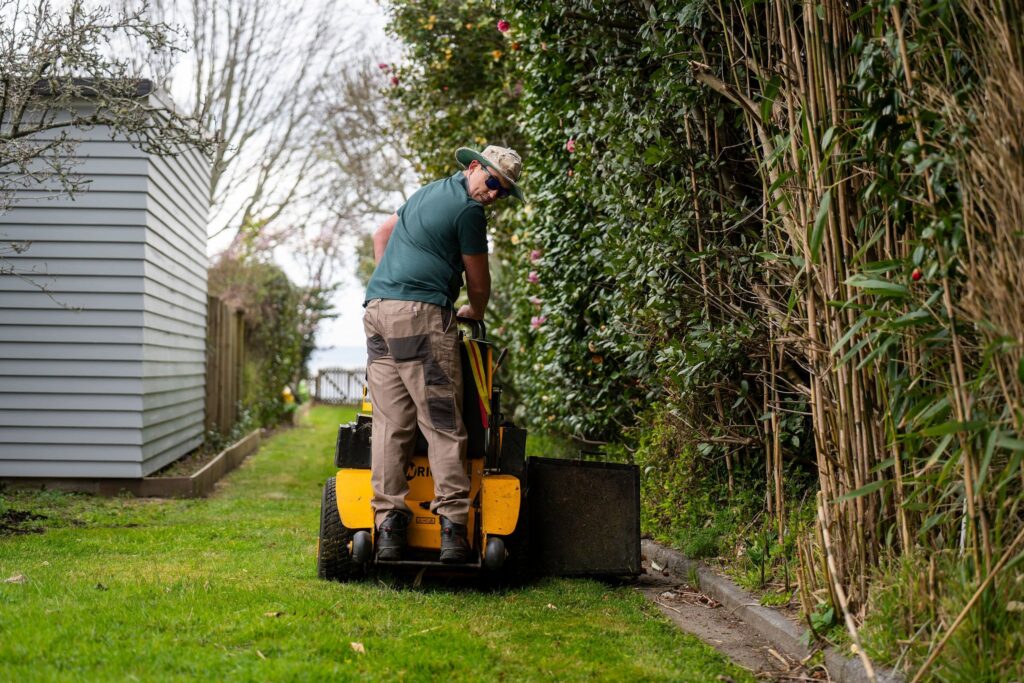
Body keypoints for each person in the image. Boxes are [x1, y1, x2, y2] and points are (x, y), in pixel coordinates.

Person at [362, 145, 524, 563]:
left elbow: (382, 233)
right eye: (491, 183)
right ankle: (453, 529)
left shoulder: (426, 192)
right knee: (442, 421)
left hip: (378, 311)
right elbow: (478, 279)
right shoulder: (469, 212)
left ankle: (389, 530)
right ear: (474, 168)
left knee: (390, 424)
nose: (492, 195)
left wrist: (391, 284)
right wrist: (477, 310)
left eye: (502, 192)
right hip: (420, 316)